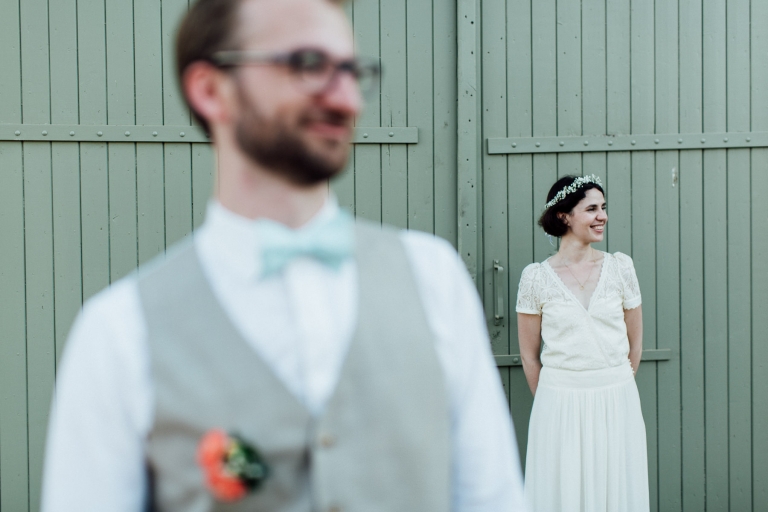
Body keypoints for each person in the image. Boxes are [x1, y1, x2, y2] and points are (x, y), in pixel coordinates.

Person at [41, 0, 527, 510]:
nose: (346, 99)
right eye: (309, 66)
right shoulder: (118, 332)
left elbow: (493, 499)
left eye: (353, 71)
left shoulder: (434, 278)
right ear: (211, 89)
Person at [515, 175, 649, 512]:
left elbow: (635, 342)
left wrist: (612, 385)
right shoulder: (536, 278)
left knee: (615, 490)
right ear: (564, 216)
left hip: (617, 399)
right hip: (558, 403)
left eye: (603, 208)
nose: (602, 215)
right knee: (563, 493)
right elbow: (530, 358)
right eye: (591, 209)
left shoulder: (620, 267)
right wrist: (555, 399)